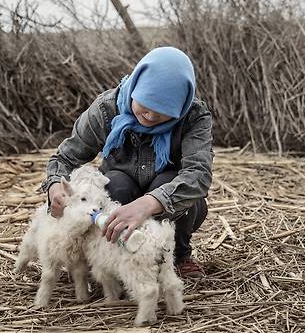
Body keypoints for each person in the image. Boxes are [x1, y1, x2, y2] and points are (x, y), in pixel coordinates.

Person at [41, 46, 213, 278]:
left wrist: (148, 204)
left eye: (164, 112)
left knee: (172, 183)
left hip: (171, 208)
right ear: (136, 89)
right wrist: (55, 188)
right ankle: (115, 256)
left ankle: (177, 256)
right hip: (119, 197)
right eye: (146, 104)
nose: (151, 116)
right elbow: (65, 157)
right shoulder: (106, 109)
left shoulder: (194, 117)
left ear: (180, 107)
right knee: (115, 183)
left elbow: (198, 175)